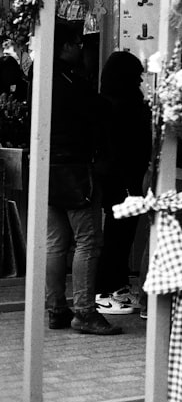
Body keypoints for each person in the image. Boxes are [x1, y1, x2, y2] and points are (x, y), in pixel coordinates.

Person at [46, 23, 121, 335]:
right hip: (77, 171)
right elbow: (100, 112)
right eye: (77, 44)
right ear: (65, 47)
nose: (81, 49)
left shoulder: (40, 76)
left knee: (55, 243)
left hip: (47, 170)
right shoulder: (72, 79)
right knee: (87, 242)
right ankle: (85, 312)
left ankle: (55, 309)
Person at [93, 52, 151, 316]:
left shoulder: (107, 102)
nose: (141, 79)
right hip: (125, 179)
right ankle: (106, 290)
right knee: (119, 236)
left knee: (118, 235)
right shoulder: (126, 105)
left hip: (113, 177)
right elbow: (127, 148)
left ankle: (115, 286)